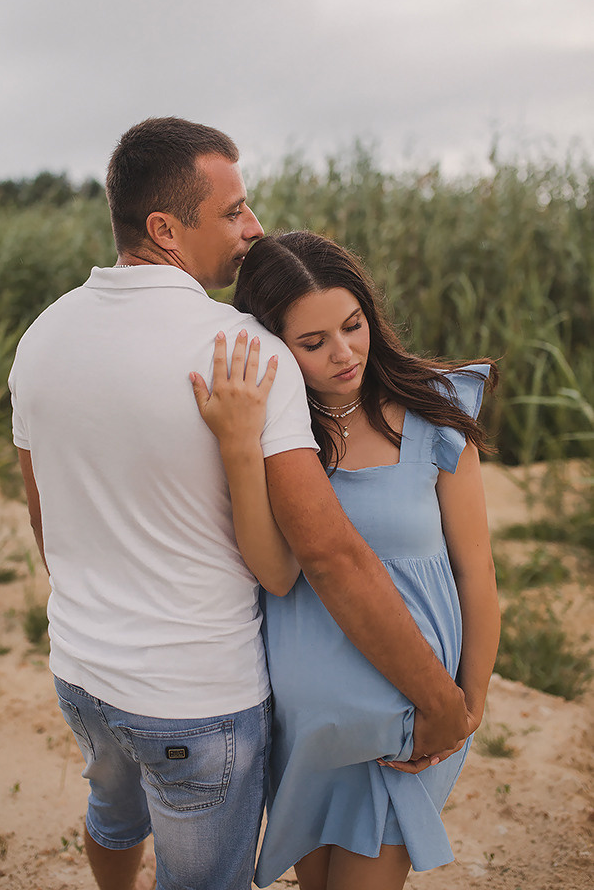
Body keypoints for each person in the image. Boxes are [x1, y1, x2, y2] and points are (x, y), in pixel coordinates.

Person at [8, 117, 470, 890]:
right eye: (231, 211)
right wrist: (440, 701)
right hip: (196, 700)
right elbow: (325, 553)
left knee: (113, 815)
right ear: (165, 228)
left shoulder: (41, 338)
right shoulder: (241, 350)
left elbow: (44, 525)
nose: (252, 229)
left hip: (81, 672)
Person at [191, 230, 500, 890]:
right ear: (275, 344)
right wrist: (242, 449)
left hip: (409, 719)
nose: (343, 353)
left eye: (353, 326)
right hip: (309, 733)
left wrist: (464, 706)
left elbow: (476, 573)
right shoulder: (283, 441)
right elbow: (275, 572)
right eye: (313, 343)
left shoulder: (433, 412)